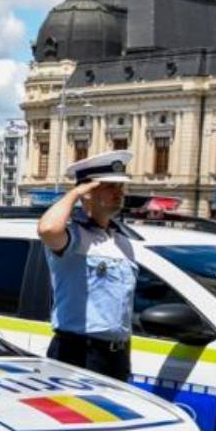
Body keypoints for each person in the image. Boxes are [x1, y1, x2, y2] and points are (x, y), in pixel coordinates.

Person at [36, 150, 138, 380]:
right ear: (89, 192)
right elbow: (47, 229)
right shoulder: (74, 237)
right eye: (110, 187)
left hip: (117, 355)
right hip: (79, 353)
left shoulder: (122, 241)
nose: (118, 193)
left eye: (120, 188)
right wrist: (76, 193)